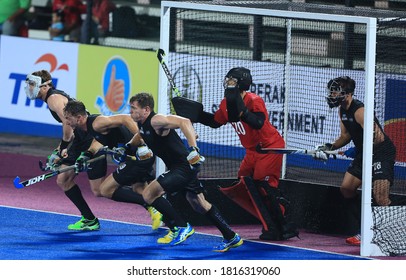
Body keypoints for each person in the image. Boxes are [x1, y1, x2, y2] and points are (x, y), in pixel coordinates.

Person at [128, 92, 243, 252]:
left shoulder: (156, 120)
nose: (130, 111)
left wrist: (193, 148)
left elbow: (185, 121)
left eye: (133, 108)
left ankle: (181, 227)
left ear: (146, 109)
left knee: (149, 194)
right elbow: (140, 136)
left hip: (182, 167)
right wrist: (127, 147)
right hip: (181, 167)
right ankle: (231, 237)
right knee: (199, 204)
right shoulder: (142, 124)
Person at [195, 67, 298, 241]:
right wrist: (195, 115)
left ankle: (281, 224)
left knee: (263, 185)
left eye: (232, 81)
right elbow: (214, 122)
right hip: (252, 151)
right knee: (244, 179)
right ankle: (267, 218)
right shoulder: (225, 104)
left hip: (268, 148)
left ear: (242, 84)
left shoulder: (254, 100)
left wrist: (242, 112)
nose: (228, 83)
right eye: (227, 80)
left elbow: (258, 122)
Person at [313, 76, 396, 245]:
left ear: (348, 93)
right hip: (363, 152)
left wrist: (358, 149)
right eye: (332, 91)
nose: (332, 94)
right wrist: (328, 148)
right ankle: (364, 229)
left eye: (336, 91)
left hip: (381, 152)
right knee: (346, 188)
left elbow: (377, 137)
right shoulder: (342, 110)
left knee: (380, 197)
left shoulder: (360, 111)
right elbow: (345, 136)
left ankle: (391, 232)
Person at [63, 99, 162, 230]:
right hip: (131, 155)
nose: (67, 122)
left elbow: (125, 119)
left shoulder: (97, 122)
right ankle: (161, 211)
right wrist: (86, 155)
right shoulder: (85, 129)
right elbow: (99, 141)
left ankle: (154, 204)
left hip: (137, 154)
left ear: (79, 118)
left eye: (68, 118)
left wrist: (142, 140)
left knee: (105, 189)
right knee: (138, 188)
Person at [25, 70, 105, 230]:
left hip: (88, 139)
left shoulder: (53, 98)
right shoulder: (53, 98)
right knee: (63, 180)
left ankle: (148, 200)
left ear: (44, 86)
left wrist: (62, 148)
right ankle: (89, 219)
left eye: (33, 84)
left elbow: (68, 124)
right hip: (80, 139)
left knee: (101, 190)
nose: (29, 87)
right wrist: (60, 149)